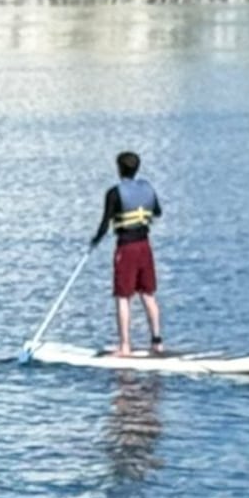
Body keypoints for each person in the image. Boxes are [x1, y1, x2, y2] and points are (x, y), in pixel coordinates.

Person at [89, 151, 164, 358]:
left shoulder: (114, 193)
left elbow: (105, 224)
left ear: (119, 169)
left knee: (123, 297)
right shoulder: (148, 188)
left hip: (126, 248)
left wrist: (95, 241)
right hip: (144, 246)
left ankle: (125, 347)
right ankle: (157, 342)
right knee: (148, 294)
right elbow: (157, 212)